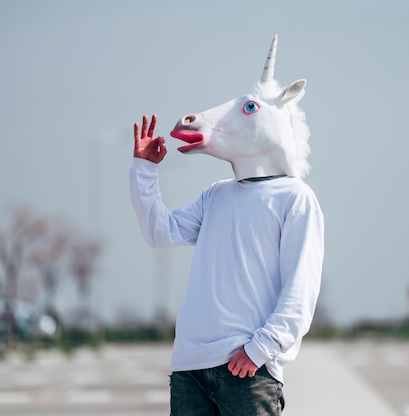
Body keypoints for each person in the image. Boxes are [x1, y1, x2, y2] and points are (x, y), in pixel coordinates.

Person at [129, 35, 323, 416]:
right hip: (189, 368)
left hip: (247, 371)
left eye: (249, 109)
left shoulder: (296, 198)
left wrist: (260, 350)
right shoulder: (215, 195)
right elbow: (159, 232)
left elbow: (301, 289)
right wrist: (144, 171)